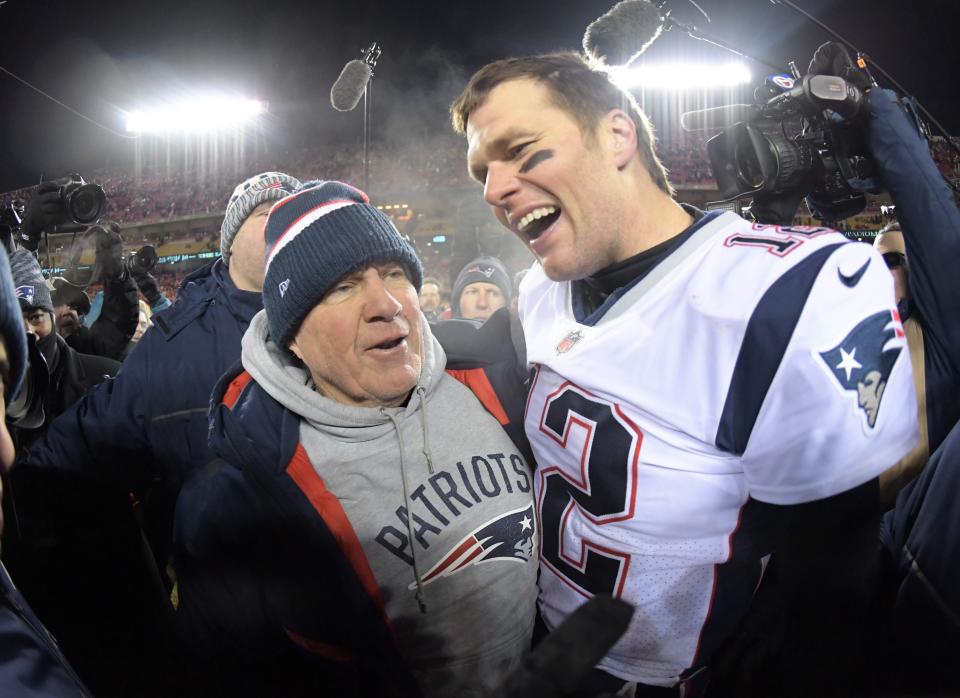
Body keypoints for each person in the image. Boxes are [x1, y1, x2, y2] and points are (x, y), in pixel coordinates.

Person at [450, 52, 917, 695]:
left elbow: (832, 587)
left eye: (522, 151)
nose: (494, 189)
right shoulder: (537, 290)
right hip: (549, 653)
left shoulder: (780, 292)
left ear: (617, 136)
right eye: (483, 170)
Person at [174, 181, 538, 698]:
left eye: (394, 274)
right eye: (342, 287)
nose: (385, 304)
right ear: (293, 336)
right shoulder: (239, 493)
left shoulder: (493, 372)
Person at [14, 171, 302, 692]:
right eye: (267, 214)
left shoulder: (353, 317)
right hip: (232, 635)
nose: (288, 224)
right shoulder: (170, 350)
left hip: (361, 617)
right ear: (231, 239)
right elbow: (69, 456)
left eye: (300, 213)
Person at [0, 250, 90, 696]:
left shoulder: (100, 380)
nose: (31, 328)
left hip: (90, 578)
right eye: (19, 318)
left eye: (36, 314)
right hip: (24, 573)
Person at [451, 255, 511, 322]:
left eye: (493, 293)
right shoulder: (438, 332)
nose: (482, 304)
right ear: (458, 302)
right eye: (472, 292)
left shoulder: (521, 331)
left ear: (506, 303)